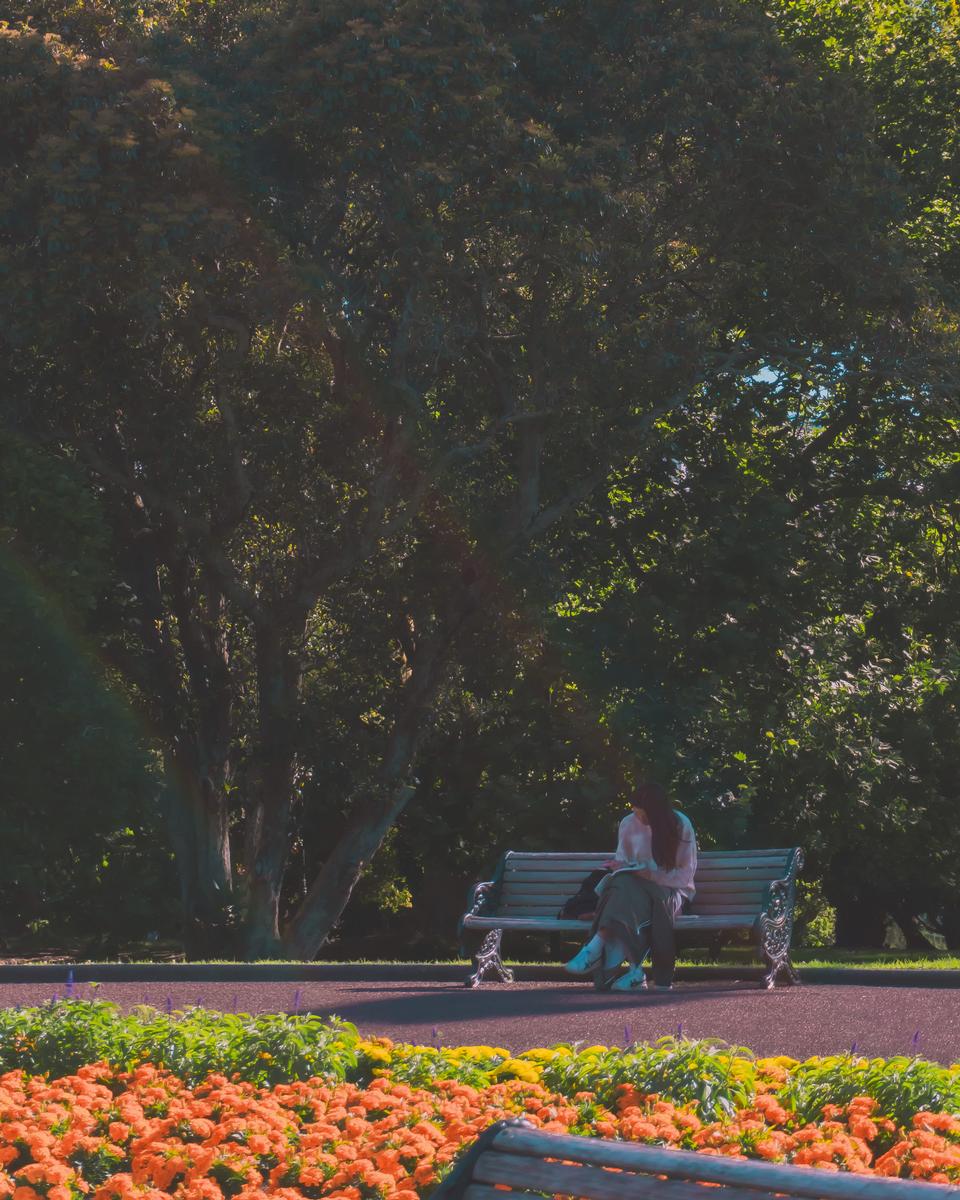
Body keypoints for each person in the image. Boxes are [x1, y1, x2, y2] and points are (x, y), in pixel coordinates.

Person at [563, 782, 697, 992]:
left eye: (641, 813)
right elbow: (622, 863)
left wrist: (649, 873)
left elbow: (684, 876)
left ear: (656, 812)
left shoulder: (680, 825)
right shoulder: (628, 823)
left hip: (671, 893)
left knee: (624, 890)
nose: (637, 818)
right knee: (622, 883)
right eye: (634, 811)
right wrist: (623, 867)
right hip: (631, 892)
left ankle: (597, 949)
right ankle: (631, 971)